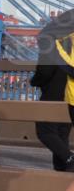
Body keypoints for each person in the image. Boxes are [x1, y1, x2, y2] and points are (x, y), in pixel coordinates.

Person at [31, 12, 74, 171]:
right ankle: (63, 169)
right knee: (62, 133)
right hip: (70, 92)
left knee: (45, 130)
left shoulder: (49, 40)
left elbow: (45, 71)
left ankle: (70, 159)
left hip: (55, 90)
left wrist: (35, 81)